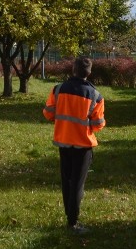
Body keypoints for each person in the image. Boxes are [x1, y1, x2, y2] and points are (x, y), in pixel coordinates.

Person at [42, 57, 105, 234]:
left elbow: (48, 113)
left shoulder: (58, 89)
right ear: (89, 73)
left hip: (63, 141)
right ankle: (73, 223)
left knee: (67, 181)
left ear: (73, 70)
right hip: (83, 146)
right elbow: (98, 124)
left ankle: (69, 217)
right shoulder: (95, 95)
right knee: (77, 184)